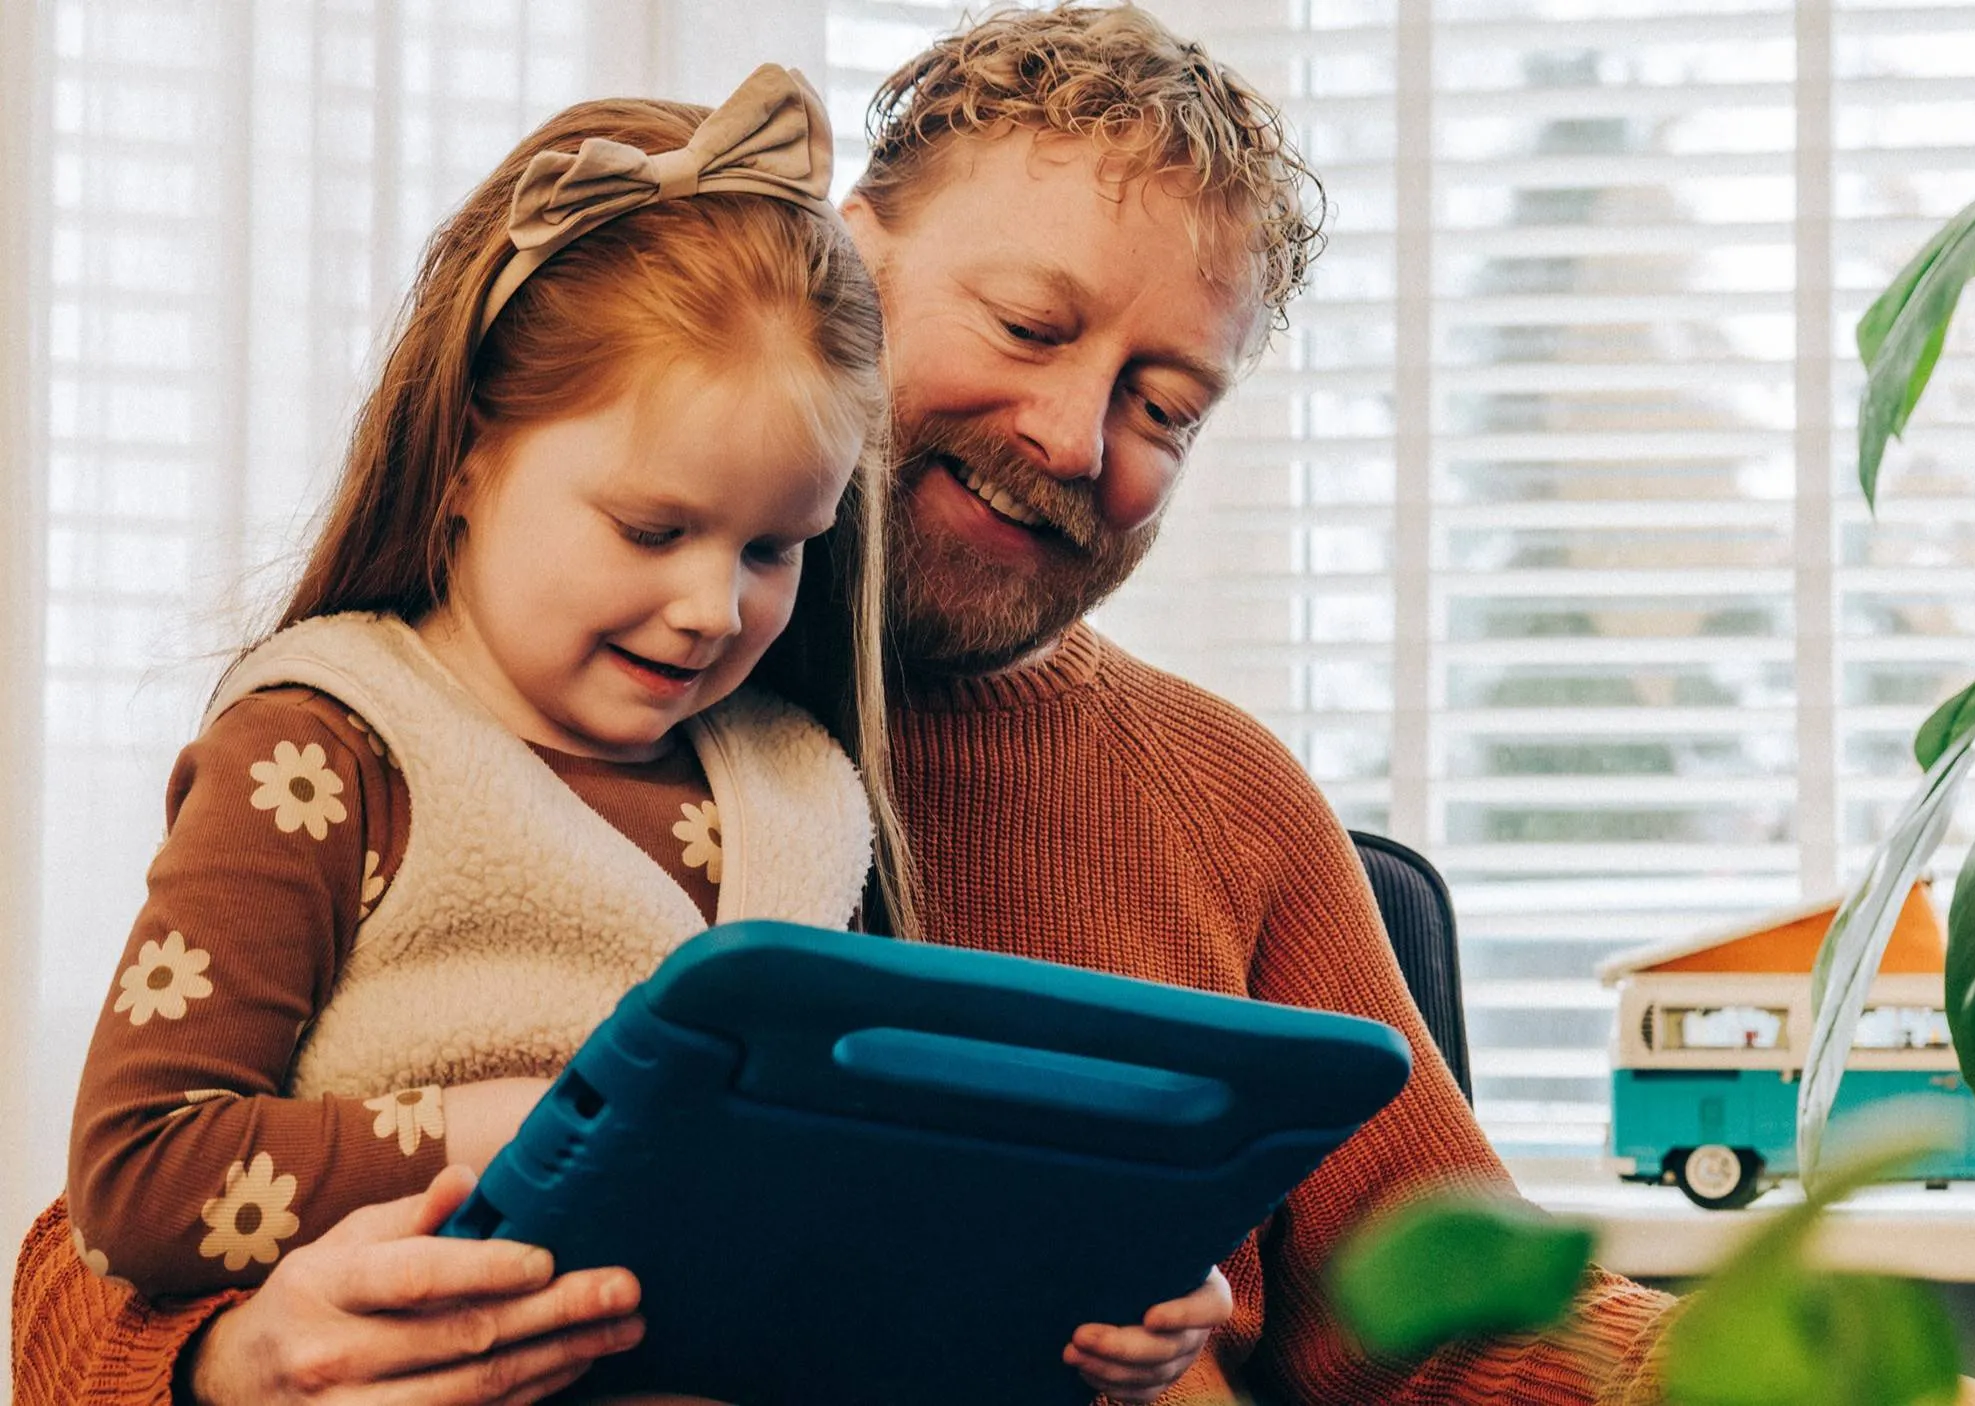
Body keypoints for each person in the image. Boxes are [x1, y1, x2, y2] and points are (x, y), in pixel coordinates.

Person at [15, 9, 1975, 1405]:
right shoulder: (440, 729)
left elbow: (1466, 1311)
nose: (1075, 435)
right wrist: (227, 1363)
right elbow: (95, 1258)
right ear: (843, 274)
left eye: (1166, 403)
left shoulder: (1208, 801)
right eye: (1030, 326)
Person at [20, 58, 1223, 1405]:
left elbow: (879, 1173)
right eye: (652, 529)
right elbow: (131, 1176)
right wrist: (495, 1134)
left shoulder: (808, 783)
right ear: (470, 451)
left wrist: (1108, 1265)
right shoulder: (329, 750)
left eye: (776, 547)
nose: (711, 607)